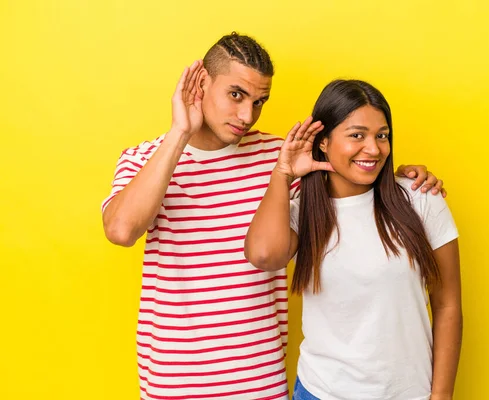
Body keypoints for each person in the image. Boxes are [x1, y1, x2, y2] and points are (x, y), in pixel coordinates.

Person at [102, 33, 447, 400]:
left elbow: (352, 184)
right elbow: (122, 230)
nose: (247, 116)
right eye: (236, 95)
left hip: (261, 381)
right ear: (202, 82)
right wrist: (180, 132)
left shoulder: (280, 156)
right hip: (174, 381)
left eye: (259, 101)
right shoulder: (145, 159)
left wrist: (406, 179)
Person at [245, 79, 462, 400]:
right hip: (320, 392)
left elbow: (448, 305)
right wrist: (283, 172)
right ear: (323, 141)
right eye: (357, 135)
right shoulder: (302, 211)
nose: (374, 149)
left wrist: (441, 396)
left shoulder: (420, 199)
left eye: (382, 135)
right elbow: (264, 255)